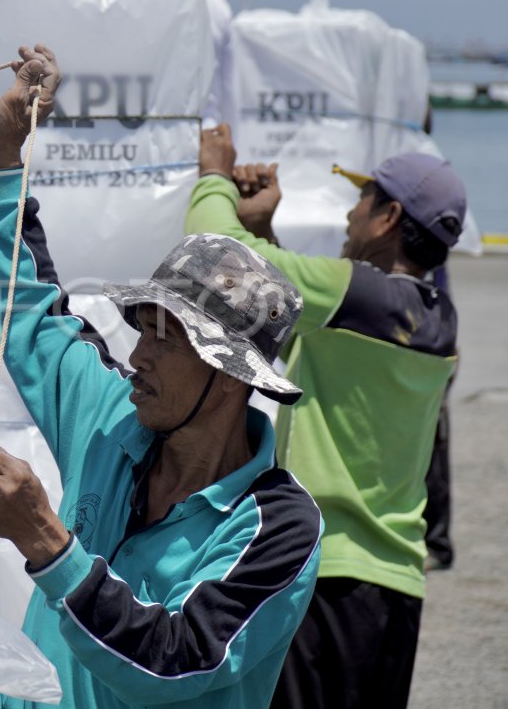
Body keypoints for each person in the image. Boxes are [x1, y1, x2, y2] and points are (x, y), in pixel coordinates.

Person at [0, 45, 322, 709]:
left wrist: (47, 541)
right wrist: (3, 160)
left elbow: (177, 657)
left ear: (230, 375)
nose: (137, 357)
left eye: (169, 339)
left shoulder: (278, 526)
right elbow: (32, 313)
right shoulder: (112, 415)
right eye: (142, 329)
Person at [188, 128, 465, 708]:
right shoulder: (435, 317)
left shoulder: (361, 293)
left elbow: (215, 255)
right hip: (396, 588)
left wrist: (214, 173)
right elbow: (306, 334)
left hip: (326, 577)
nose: (349, 214)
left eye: (361, 201)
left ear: (388, 217)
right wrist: (265, 231)